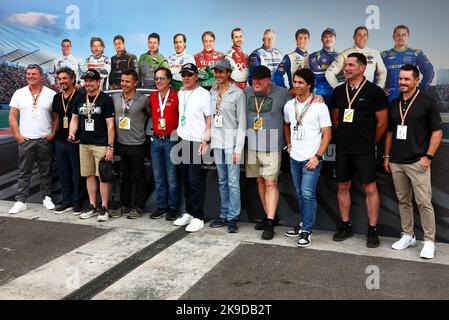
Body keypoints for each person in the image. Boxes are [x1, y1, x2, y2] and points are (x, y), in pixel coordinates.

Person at [383, 64, 443, 259]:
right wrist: (386, 156)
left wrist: (428, 157)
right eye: (400, 79)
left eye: (407, 79)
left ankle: (429, 241)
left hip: (418, 162)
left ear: (417, 80)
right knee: (403, 200)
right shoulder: (394, 103)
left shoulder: (427, 102)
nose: (402, 82)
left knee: (424, 202)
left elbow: (437, 132)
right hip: (397, 161)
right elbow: (390, 132)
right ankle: (408, 235)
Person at [331, 53, 388, 248]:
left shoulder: (375, 92)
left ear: (362, 68)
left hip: (364, 149)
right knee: (342, 187)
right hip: (344, 149)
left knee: (370, 188)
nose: (346, 68)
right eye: (345, 65)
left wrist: (371, 143)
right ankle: (345, 226)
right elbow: (336, 119)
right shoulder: (339, 91)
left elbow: (382, 122)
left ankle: (372, 229)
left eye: (351, 65)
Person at [283, 68, 332, 247]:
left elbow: (327, 134)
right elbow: (286, 125)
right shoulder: (289, 105)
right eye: (295, 82)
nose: (297, 85)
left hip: (311, 159)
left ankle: (307, 230)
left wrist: (317, 156)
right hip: (295, 157)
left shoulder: (319, 105)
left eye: (301, 82)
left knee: (308, 194)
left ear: (309, 85)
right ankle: (302, 223)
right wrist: (289, 144)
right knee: (300, 193)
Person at [244, 65, 292, 240]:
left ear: (268, 80)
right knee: (260, 181)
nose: (255, 82)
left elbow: (298, 106)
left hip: (272, 145)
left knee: (271, 183)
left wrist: (317, 98)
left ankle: (270, 223)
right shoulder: (246, 92)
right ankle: (268, 215)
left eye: (259, 79)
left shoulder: (282, 93)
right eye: (253, 79)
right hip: (252, 145)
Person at [8, 64, 57, 214]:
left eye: (34, 74)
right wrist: (17, 136)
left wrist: (52, 134)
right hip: (26, 139)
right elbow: (12, 116)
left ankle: (47, 198)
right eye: (28, 74)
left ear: (41, 76)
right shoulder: (19, 93)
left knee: (46, 171)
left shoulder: (51, 94)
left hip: (44, 139)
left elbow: (57, 117)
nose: (30, 76)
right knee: (24, 172)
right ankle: (21, 201)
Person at [68, 69, 115, 222]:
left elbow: (110, 125)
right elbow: (74, 119)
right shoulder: (80, 98)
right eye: (85, 81)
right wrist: (72, 133)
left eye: (91, 80)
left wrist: (110, 147)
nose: (87, 83)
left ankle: (105, 207)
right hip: (84, 144)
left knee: (103, 177)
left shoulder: (106, 99)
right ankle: (93, 205)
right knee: (89, 176)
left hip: (101, 145)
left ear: (98, 81)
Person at [209, 58, 246, 233]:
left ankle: (233, 217)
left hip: (232, 144)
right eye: (216, 72)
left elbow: (242, 124)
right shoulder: (212, 90)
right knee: (222, 181)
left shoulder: (237, 93)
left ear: (229, 73)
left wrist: (238, 149)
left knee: (233, 182)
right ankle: (223, 214)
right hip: (217, 142)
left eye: (221, 72)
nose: (218, 75)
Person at [173, 63, 211, 232]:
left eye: (189, 74)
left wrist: (206, 140)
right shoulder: (181, 92)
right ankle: (188, 212)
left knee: (196, 181)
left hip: (197, 141)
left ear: (196, 76)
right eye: (183, 75)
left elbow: (209, 119)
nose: (186, 78)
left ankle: (198, 216)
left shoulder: (204, 94)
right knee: (186, 179)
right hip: (182, 139)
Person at [110, 69, 150, 219]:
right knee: (123, 177)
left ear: (135, 83)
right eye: (122, 81)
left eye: (127, 81)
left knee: (138, 178)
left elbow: (150, 114)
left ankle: (138, 207)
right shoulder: (115, 97)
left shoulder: (143, 100)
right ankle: (125, 205)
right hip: (120, 143)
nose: (124, 84)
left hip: (138, 144)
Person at [148, 67, 181, 221]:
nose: (158, 81)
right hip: (156, 141)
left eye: (162, 78)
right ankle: (161, 206)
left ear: (169, 80)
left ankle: (173, 208)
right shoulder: (153, 96)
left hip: (171, 141)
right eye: (157, 78)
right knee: (158, 176)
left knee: (172, 176)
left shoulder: (177, 95)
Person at [52, 67, 83, 214]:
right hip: (59, 141)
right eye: (59, 79)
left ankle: (77, 202)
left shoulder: (80, 96)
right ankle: (66, 201)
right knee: (63, 172)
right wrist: (53, 133)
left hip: (74, 141)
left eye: (65, 78)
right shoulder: (56, 98)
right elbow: (57, 117)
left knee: (76, 173)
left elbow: (83, 119)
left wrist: (80, 137)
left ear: (72, 79)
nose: (62, 82)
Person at [381, 25, 435, 103]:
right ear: (393, 37)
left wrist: (419, 89)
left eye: (403, 35)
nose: (400, 37)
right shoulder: (384, 55)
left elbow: (429, 72)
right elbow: (375, 74)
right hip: (390, 98)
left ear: (408, 36)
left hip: (410, 98)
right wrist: (380, 89)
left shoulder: (416, 53)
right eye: (398, 35)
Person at [273, 28, 310, 95]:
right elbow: (277, 75)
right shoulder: (289, 57)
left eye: (305, 38)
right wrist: (285, 90)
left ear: (308, 40)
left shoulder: (312, 57)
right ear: (296, 40)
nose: (303, 40)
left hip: (309, 94)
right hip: (296, 95)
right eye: (300, 38)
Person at [309, 28, 339, 108]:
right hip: (320, 94)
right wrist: (335, 73)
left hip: (337, 93)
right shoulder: (314, 56)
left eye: (331, 36)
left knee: (336, 119)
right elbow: (317, 74)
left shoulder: (340, 56)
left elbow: (344, 77)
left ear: (335, 39)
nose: (328, 39)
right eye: (325, 37)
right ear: (322, 39)